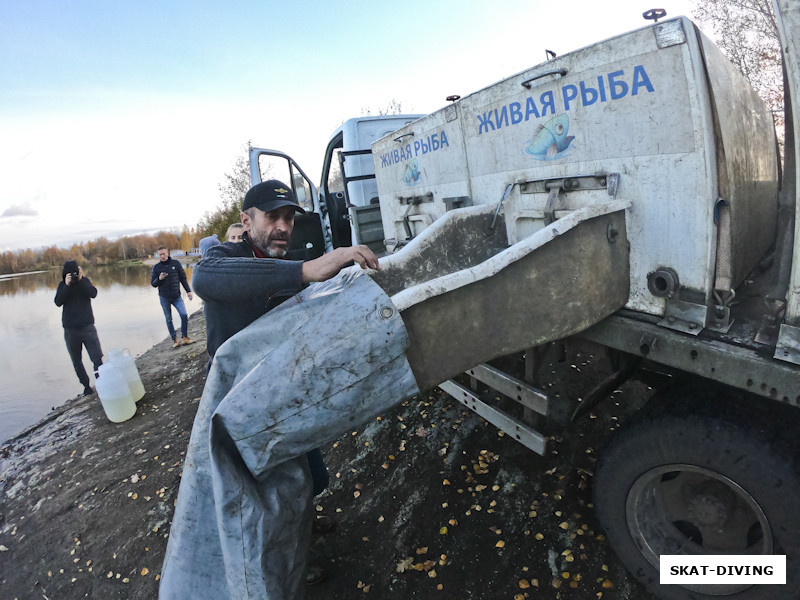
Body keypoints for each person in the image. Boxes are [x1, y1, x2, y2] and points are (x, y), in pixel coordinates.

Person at [160, 180, 381, 598]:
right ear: (247, 221)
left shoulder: (286, 257)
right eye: (272, 216)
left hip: (282, 393)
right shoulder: (227, 256)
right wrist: (305, 269)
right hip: (239, 404)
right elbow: (206, 278)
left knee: (311, 475)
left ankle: (307, 526)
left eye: (289, 218)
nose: (283, 226)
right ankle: (288, 557)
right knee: (264, 495)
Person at [54, 260, 104, 396]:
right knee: (76, 362)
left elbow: (93, 293)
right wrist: (67, 285)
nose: (73, 275)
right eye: (70, 273)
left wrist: (81, 280)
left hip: (87, 327)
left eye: (75, 272)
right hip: (70, 331)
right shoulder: (62, 285)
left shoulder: (85, 281)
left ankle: (101, 383)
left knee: (97, 358)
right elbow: (58, 302)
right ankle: (86, 387)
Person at [150, 246, 196, 348]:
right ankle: (175, 340)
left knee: (184, 315)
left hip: (176, 296)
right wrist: (159, 278)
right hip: (164, 297)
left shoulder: (176, 264)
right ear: (158, 255)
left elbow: (183, 278)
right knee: (168, 319)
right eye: (160, 254)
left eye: (164, 254)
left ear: (168, 253)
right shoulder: (156, 267)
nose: (162, 256)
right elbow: (153, 284)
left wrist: (188, 291)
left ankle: (184, 337)